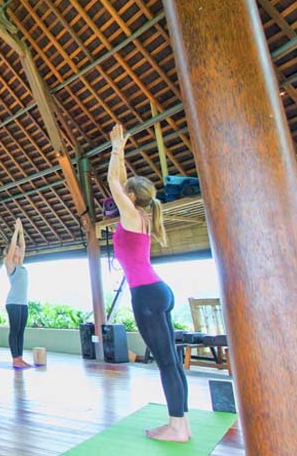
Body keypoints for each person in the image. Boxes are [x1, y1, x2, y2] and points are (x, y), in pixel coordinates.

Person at [107, 123, 190, 442]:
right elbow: (118, 182)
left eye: (124, 192)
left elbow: (114, 182)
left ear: (131, 197)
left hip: (147, 296)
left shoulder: (132, 217)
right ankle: (181, 423)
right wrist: (119, 151)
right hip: (158, 292)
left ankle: (177, 427)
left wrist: (117, 149)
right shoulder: (140, 217)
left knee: (166, 361)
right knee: (170, 360)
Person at [4, 218, 31, 368]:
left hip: (23, 303)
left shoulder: (20, 265)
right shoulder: (9, 264)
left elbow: (23, 245)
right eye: (16, 248)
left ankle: (20, 358)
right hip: (13, 302)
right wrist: (15, 232)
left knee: (21, 332)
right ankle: (15, 359)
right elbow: (15, 245)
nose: (19, 249)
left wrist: (20, 230)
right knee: (14, 331)